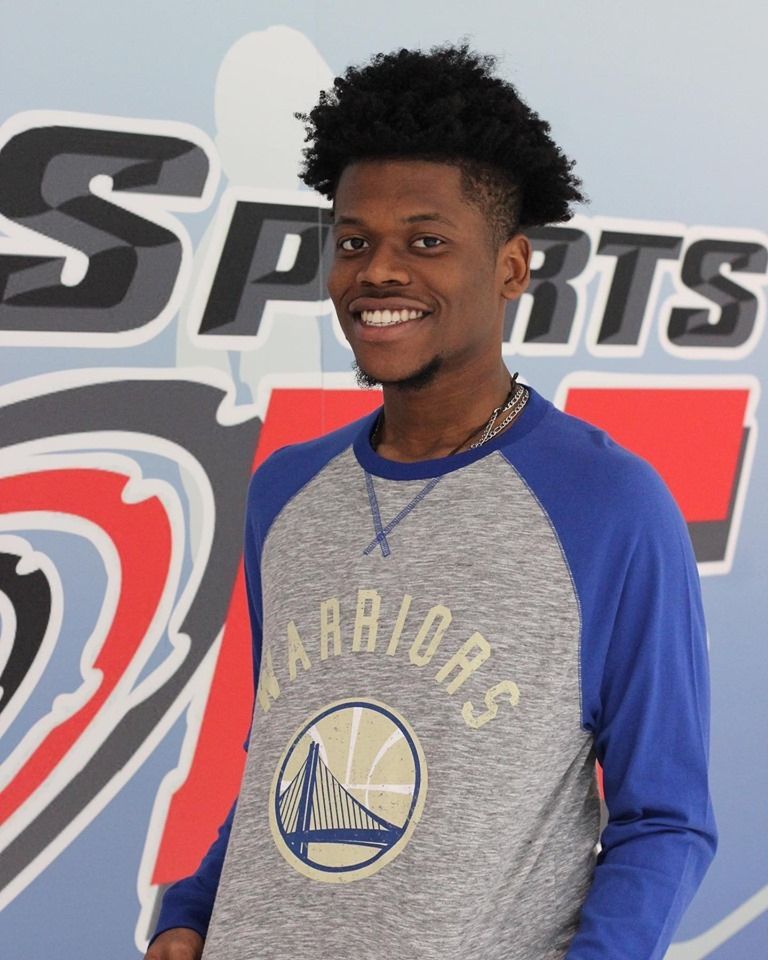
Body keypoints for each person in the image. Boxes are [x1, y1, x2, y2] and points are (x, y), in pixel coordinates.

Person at [146, 43, 716, 960]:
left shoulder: (609, 505)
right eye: (355, 242)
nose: (378, 272)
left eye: (427, 241)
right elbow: (287, 758)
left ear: (512, 268)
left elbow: (667, 820)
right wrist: (193, 906)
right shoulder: (285, 492)